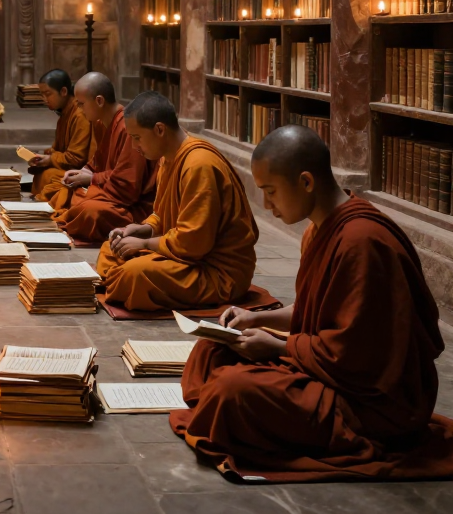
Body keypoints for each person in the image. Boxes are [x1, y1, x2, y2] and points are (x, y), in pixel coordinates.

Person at [172, 125, 453, 481]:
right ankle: (230, 409)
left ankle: (229, 408)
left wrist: (279, 346)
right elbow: (312, 314)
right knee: (212, 351)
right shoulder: (318, 229)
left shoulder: (362, 242)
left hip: (372, 404)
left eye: (271, 192)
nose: (267, 205)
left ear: (306, 182)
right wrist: (256, 319)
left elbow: (356, 359)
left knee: (233, 390)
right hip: (330, 368)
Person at [96, 90, 257, 310]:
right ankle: (118, 280)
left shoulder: (199, 165)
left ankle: (119, 282)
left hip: (216, 271)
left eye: (137, 138)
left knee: (134, 274)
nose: (135, 147)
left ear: (160, 129)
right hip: (186, 258)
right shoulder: (167, 158)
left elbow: (193, 243)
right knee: (110, 248)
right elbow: (162, 216)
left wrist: (143, 244)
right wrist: (142, 230)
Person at [49, 72, 157, 242]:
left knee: (90, 210)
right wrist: (82, 172)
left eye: (82, 104)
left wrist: (92, 179)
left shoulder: (128, 128)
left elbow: (128, 185)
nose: (79, 109)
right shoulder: (101, 123)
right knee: (68, 191)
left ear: (99, 101)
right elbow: (98, 161)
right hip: (108, 191)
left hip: (131, 206)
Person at [28, 68, 93, 202]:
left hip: (82, 172)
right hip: (68, 167)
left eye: (48, 94)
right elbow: (58, 149)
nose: (44, 99)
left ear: (63, 91)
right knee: (42, 174)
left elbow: (77, 159)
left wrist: (50, 159)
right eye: (42, 95)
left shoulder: (80, 115)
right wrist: (43, 157)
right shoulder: (64, 114)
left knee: (48, 176)